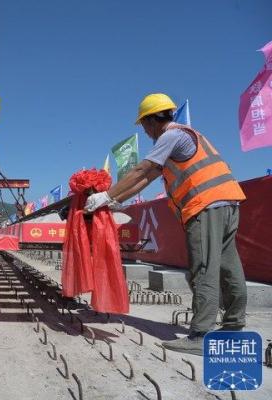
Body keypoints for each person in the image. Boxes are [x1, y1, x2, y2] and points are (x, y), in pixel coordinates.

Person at [84, 93, 247, 356]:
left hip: (205, 205)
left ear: (151, 120)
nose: (145, 131)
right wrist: (114, 201)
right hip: (228, 204)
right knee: (229, 267)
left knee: (203, 268)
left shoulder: (170, 136)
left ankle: (200, 334)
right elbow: (146, 179)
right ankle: (234, 327)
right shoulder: (185, 136)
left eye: (144, 125)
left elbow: (141, 170)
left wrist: (106, 195)